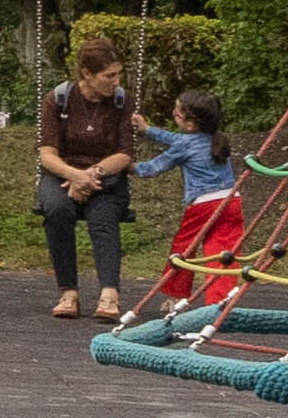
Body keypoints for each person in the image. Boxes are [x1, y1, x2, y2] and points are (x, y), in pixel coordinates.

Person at [37, 35, 143, 321]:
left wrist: (92, 174)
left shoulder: (122, 102)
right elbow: (47, 153)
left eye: (119, 74)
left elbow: (125, 154)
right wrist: (74, 176)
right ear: (87, 73)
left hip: (105, 177)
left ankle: (110, 294)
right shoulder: (58, 99)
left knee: (104, 218)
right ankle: (68, 292)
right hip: (62, 173)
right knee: (57, 210)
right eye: (110, 75)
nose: (116, 81)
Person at [144, 82, 247, 310]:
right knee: (223, 250)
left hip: (203, 204)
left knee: (184, 248)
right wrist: (147, 130)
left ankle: (176, 296)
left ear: (190, 124)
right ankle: (220, 300)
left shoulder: (184, 145)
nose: (173, 114)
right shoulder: (215, 138)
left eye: (177, 113)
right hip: (232, 201)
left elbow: (153, 168)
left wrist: (128, 166)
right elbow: (175, 138)